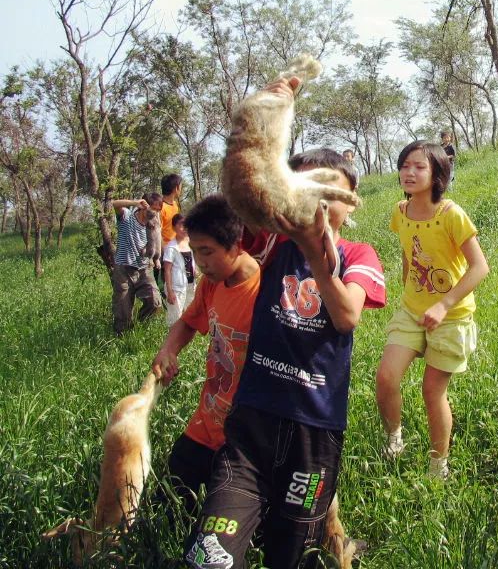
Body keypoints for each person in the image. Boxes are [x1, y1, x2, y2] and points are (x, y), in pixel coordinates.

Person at [182, 90, 386, 568]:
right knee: (209, 556)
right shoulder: (269, 241)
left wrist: (314, 251)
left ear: (349, 202)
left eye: (325, 187)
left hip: (314, 430)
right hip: (252, 423)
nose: (314, 195)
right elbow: (239, 193)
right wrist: (261, 116)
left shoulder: (360, 256)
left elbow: (346, 317)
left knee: (293, 556)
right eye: (303, 185)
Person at [375, 140, 489, 480]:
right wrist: (407, 283)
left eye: (419, 167)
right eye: (405, 165)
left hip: (451, 317)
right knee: (386, 377)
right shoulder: (401, 211)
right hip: (412, 310)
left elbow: (480, 267)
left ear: (438, 173)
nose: (409, 172)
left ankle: (438, 465)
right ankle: (394, 439)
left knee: (431, 391)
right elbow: (408, 252)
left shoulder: (450, 214)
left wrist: (443, 304)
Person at [154, 195, 261, 514]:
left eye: (208, 252)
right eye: (195, 252)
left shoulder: (263, 291)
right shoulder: (212, 285)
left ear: (236, 243)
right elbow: (187, 322)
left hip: (244, 435)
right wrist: (168, 350)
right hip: (207, 420)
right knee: (169, 504)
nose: (200, 263)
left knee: (225, 517)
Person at [110, 192, 164, 334]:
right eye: (154, 209)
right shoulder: (126, 216)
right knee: (122, 310)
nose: (156, 213)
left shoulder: (153, 225)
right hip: (123, 269)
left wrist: (155, 259)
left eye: (159, 210)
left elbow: (156, 245)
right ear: (144, 206)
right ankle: (122, 337)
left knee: (155, 302)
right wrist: (135, 203)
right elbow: (114, 204)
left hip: (144, 269)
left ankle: (140, 327)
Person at [162, 213, 197, 327]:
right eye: (181, 225)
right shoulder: (171, 248)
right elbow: (167, 270)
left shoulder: (191, 243)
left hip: (190, 285)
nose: (184, 229)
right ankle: (172, 343)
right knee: (175, 319)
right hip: (176, 288)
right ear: (174, 228)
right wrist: (170, 291)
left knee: (190, 316)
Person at [159, 174, 183, 289]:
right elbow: (158, 233)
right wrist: (165, 253)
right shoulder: (161, 207)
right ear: (176, 188)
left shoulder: (175, 205)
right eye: (181, 186)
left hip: (176, 248)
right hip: (165, 251)